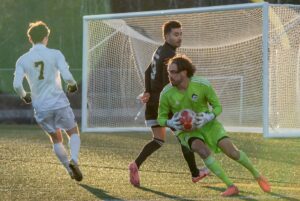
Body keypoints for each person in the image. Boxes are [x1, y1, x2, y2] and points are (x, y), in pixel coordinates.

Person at [157, 54, 271, 196]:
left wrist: (209, 116)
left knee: (233, 153)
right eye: (169, 72)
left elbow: (217, 107)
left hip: (209, 125)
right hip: (187, 132)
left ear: (184, 72)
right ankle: (231, 186)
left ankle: (257, 174)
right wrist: (169, 122)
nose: (170, 76)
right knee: (203, 151)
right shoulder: (166, 93)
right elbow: (160, 118)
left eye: (173, 72)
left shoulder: (202, 85)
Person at [129, 20, 209, 187]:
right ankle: (195, 174)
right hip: (164, 104)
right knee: (185, 137)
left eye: (180, 34)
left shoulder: (159, 51)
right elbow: (171, 81)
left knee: (158, 140)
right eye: (175, 34)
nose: (179, 37)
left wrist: (148, 92)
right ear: (166, 36)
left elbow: (147, 71)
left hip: (153, 102)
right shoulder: (169, 55)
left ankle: (135, 165)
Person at [13, 21, 83, 182]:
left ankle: (69, 170)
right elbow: (67, 75)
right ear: (46, 37)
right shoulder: (55, 54)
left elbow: (17, 85)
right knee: (73, 132)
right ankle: (75, 161)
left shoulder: (22, 60)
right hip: (59, 102)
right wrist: (72, 85)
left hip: (41, 107)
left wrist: (24, 95)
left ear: (30, 39)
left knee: (56, 139)